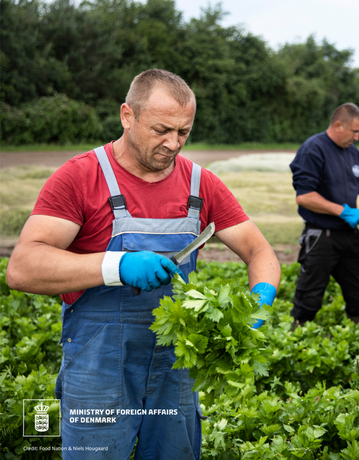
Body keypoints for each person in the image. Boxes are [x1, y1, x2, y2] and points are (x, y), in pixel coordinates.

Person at [6, 69, 281, 459]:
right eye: (161, 130)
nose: (173, 144)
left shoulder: (201, 185)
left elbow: (261, 253)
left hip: (175, 364)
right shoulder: (81, 177)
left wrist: (261, 299)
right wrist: (116, 267)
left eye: (184, 132)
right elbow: (22, 267)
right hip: (99, 365)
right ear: (127, 116)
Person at [289, 102, 359, 326]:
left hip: (349, 236)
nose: (357, 137)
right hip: (321, 236)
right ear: (338, 125)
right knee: (309, 295)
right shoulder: (313, 149)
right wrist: (342, 211)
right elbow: (304, 196)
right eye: (354, 131)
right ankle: (298, 337)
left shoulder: (353, 153)